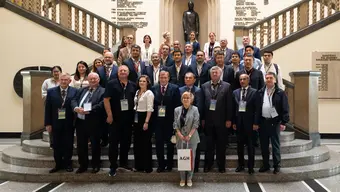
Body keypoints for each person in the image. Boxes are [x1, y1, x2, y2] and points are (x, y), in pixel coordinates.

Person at [104, 65, 137, 176]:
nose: (123, 72)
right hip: (115, 119)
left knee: (126, 143)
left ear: (128, 73)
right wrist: (109, 115)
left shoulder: (133, 85)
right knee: (113, 144)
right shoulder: (111, 84)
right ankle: (113, 166)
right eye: (121, 70)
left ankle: (124, 163)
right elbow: (106, 100)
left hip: (128, 120)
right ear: (117, 73)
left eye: (125, 70)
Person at [255, 72, 290, 174]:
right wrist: (256, 123)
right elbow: (257, 109)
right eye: (267, 78)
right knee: (264, 146)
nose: (268, 80)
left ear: (274, 80)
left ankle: (276, 165)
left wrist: (284, 122)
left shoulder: (280, 93)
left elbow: (285, 108)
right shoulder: (261, 92)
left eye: (271, 78)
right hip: (263, 122)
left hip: (275, 122)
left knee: (275, 145)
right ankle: (266, 165)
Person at [71, 72, 105, 174]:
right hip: (80, 122)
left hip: (94, 122)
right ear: (88, 80)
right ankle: (83, 165)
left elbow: (101, 104)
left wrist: (89, 110)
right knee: (81, 145)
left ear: (98, 80)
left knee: (95, 145)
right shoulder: (82, 89)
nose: (92, 81)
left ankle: (96, 165)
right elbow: (73, 100)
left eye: (95, 79)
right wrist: (76, 108)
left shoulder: (103, 91)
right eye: (91, 79)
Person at [201, 66, 232, 173]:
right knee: (208, 145)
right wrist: (203, 119)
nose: (214, 74)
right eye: (212, 72)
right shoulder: (204, 86)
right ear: (210, 74)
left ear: (220, 74)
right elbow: (202, 104)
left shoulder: (227, 86)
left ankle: (221, 166)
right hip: (208, 121)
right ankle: (207, 165)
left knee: (221, 145)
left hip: (222, 121)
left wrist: (229, 119)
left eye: (216, 72)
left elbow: (229, 104)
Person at [44, 73, 77, 173]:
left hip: (69, 123)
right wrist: (48, 123)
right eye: (62, 79)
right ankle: (58, 164)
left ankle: (68, 164)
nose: (63, 81)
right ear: (59, 80)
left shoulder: (75, 91)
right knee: (56, 144)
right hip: (55, 123)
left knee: (68, 144)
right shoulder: (51, 92)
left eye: (66, 80)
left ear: (69, 81)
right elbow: (48, 109)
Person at [151, 70, 181, 172]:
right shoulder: (153, 88)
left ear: (168, 78)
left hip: (170, 121)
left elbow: (177, 106)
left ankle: (169, 165)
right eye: (161, 77)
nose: (163, 79)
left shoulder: (175, 88)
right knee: (159, 144)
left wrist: (176, 122)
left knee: (170, 144)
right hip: (157, 121)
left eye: (165, 77)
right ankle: (161, 165)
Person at [232, 74, 257, 175]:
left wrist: (256, 123)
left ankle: (251, 167)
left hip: (250, 124)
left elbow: (257, 109)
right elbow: (233, 109)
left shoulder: (255, 92)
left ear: (248, 80)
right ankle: (241, 165)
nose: (242, 81)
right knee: (240, 146)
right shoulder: (235, 92)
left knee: (251, 146)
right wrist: (233, 122)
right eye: (240, 79)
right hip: (239, 124)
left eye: (244, 79)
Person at [174, 91, 200, 187]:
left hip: (192, 138)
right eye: (184, 97)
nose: (185, 99)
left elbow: (196, 123)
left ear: (191, 99)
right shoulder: (177, 110)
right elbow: (175, 124)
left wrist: (189, 135)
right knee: (181, 158)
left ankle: (189, 178)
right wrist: (179, 134)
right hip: (180, 138)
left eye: (187, 98)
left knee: (191, 158)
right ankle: (182, 178)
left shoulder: (195, 109)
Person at [178, 72, 203, 172]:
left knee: (195, 147)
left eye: (190, 78)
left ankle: (195, 167)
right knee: (183, 148)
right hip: (182, 123)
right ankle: (184, 170)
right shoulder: (180, 90)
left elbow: (200, 106)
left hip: (194, 123)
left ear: (194, 80)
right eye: (186, 78)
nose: (188, 79)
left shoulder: (198, 90)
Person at [133, 75, 154, 173]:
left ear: (147, 82)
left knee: (146, 144)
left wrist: (146, 122)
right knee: (137, 144)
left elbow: (150, 109)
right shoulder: (137, 92)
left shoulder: (149, 93)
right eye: (140, 81)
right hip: (136, 118)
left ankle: (147, 167)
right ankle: (139, 166)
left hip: (144, 118)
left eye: (144, 81)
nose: (141, 83)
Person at [42, 65, 62, 148]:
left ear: (60, 72)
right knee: (51, 125)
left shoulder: (63, 80)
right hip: (51, 107)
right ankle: (52, 143)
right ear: (52, 73)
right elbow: (43, 94)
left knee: (61, 123)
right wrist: (54, 97)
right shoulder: (47, 82)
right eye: (54, 71)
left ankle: (61, 142)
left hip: (62, 107)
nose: (56, 73)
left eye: (57, 71)